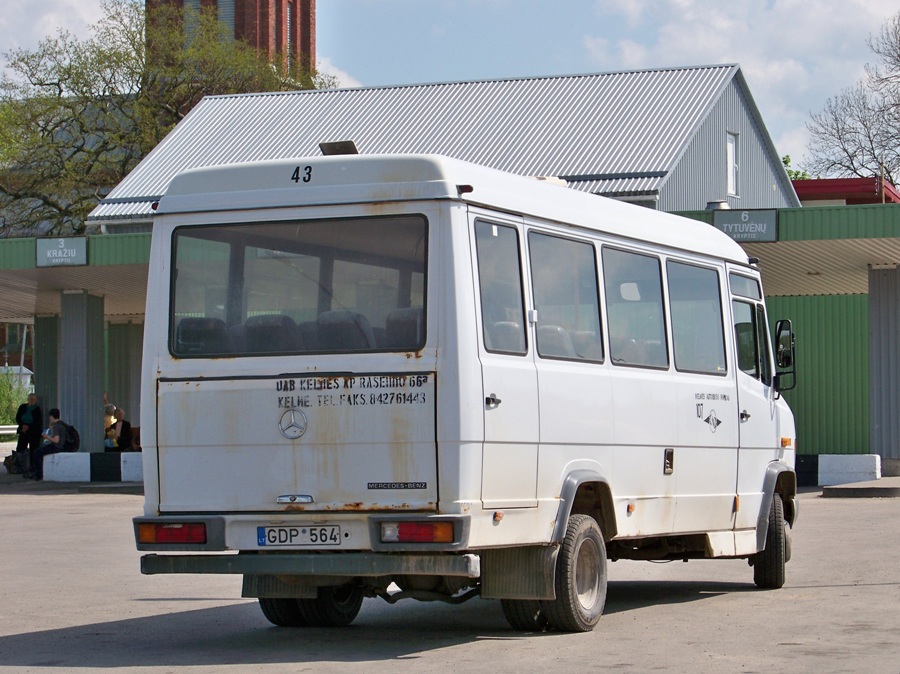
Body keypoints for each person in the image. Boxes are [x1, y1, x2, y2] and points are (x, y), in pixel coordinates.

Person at [29, 408, 66, 481]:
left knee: (37, 452)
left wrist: (47, 437)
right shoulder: (62, 424)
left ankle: (39, 474)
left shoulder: (56, 426)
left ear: (52, 417)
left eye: (50, 417)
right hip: (62, 446)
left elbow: (56, 440)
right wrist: (51, 428)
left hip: (57, 447)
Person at [14, 393, 42, 475]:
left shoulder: (37, 409)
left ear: (36, 400)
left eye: (33, 399)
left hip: (33, 432)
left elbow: (37, 422)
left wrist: (28, 427)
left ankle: (32, 467)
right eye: (30, 399)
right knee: (20, 448)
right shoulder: (23, 407)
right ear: (28, 399)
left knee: (33, 450)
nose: (31, 400)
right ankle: (20, 466)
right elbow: (18, 417)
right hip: (23, 430)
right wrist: (23, 425)